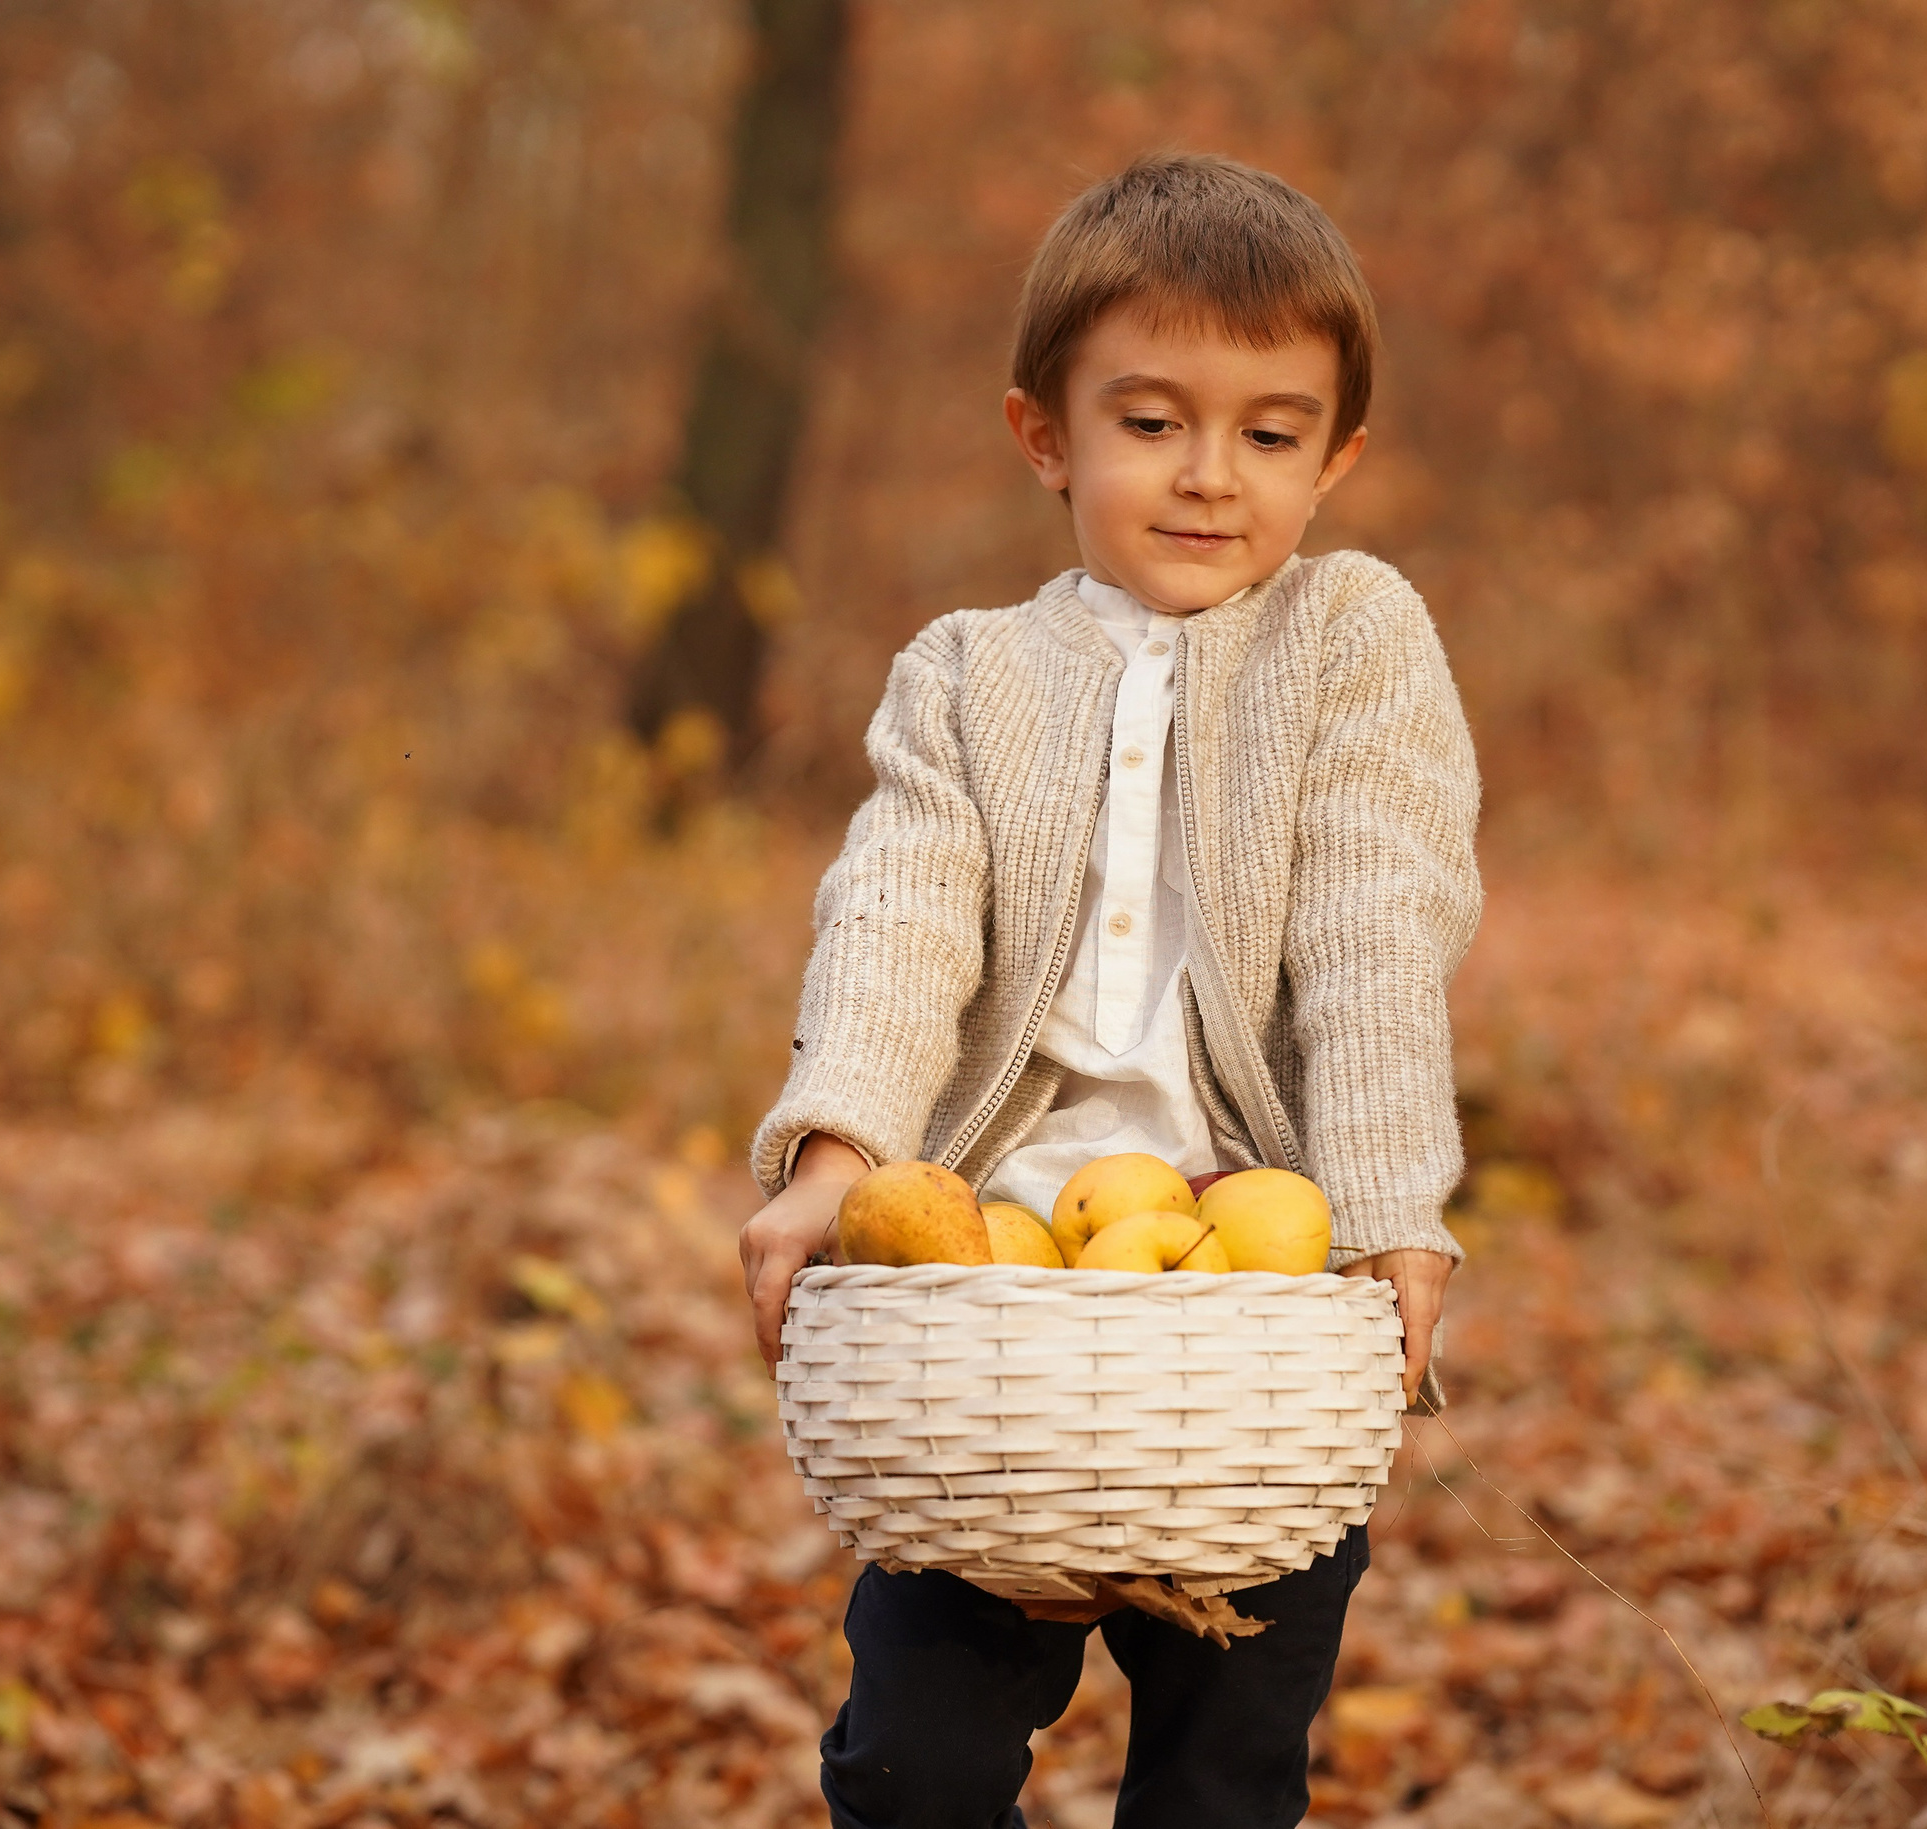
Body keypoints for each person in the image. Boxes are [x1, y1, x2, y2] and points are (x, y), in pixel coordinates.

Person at [737, 151, 1482, 1829]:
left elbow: (1379, 921)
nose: (1211, 476)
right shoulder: (965, 672)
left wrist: (1390, 1209)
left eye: (1271, 435)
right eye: (1151, 422)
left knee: (1224, 1777)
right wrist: (837, 1153)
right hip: (994, 1297)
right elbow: (900, 917)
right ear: (1045, 435)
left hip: (1254, 1298)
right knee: (912, 1766)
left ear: (1337, 458)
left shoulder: (1351, 638)